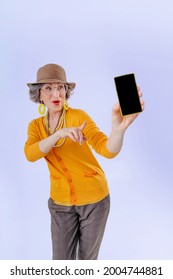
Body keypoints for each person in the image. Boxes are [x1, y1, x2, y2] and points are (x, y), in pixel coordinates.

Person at [24, 63, 144, 260]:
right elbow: (30, 154)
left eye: (61, 87)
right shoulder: (36, 127)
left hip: (95, 201)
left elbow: (107, 150)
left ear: (66, 91)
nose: (57, 93)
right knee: (61, 263)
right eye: (49, 88)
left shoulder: (78, 116)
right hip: (60, 204)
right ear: (39, 95)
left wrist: (118, 130)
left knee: (87, 262)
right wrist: (58, 135)